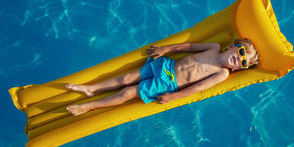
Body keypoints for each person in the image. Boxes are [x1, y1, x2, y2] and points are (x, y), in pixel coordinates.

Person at [66, 38, 259, 116]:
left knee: (127, 92)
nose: (239, 58)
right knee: (127, 77)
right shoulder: (214, 46)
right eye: (241, 52)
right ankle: (92, 89)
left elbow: (197, 89)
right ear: (233, 45)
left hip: (168, 83)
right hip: (167, 65)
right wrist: (166, 48)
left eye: (243, 62)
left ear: (238, 69)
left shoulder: (222, 73)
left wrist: (173, 97)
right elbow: (188, 47)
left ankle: (91, 106)